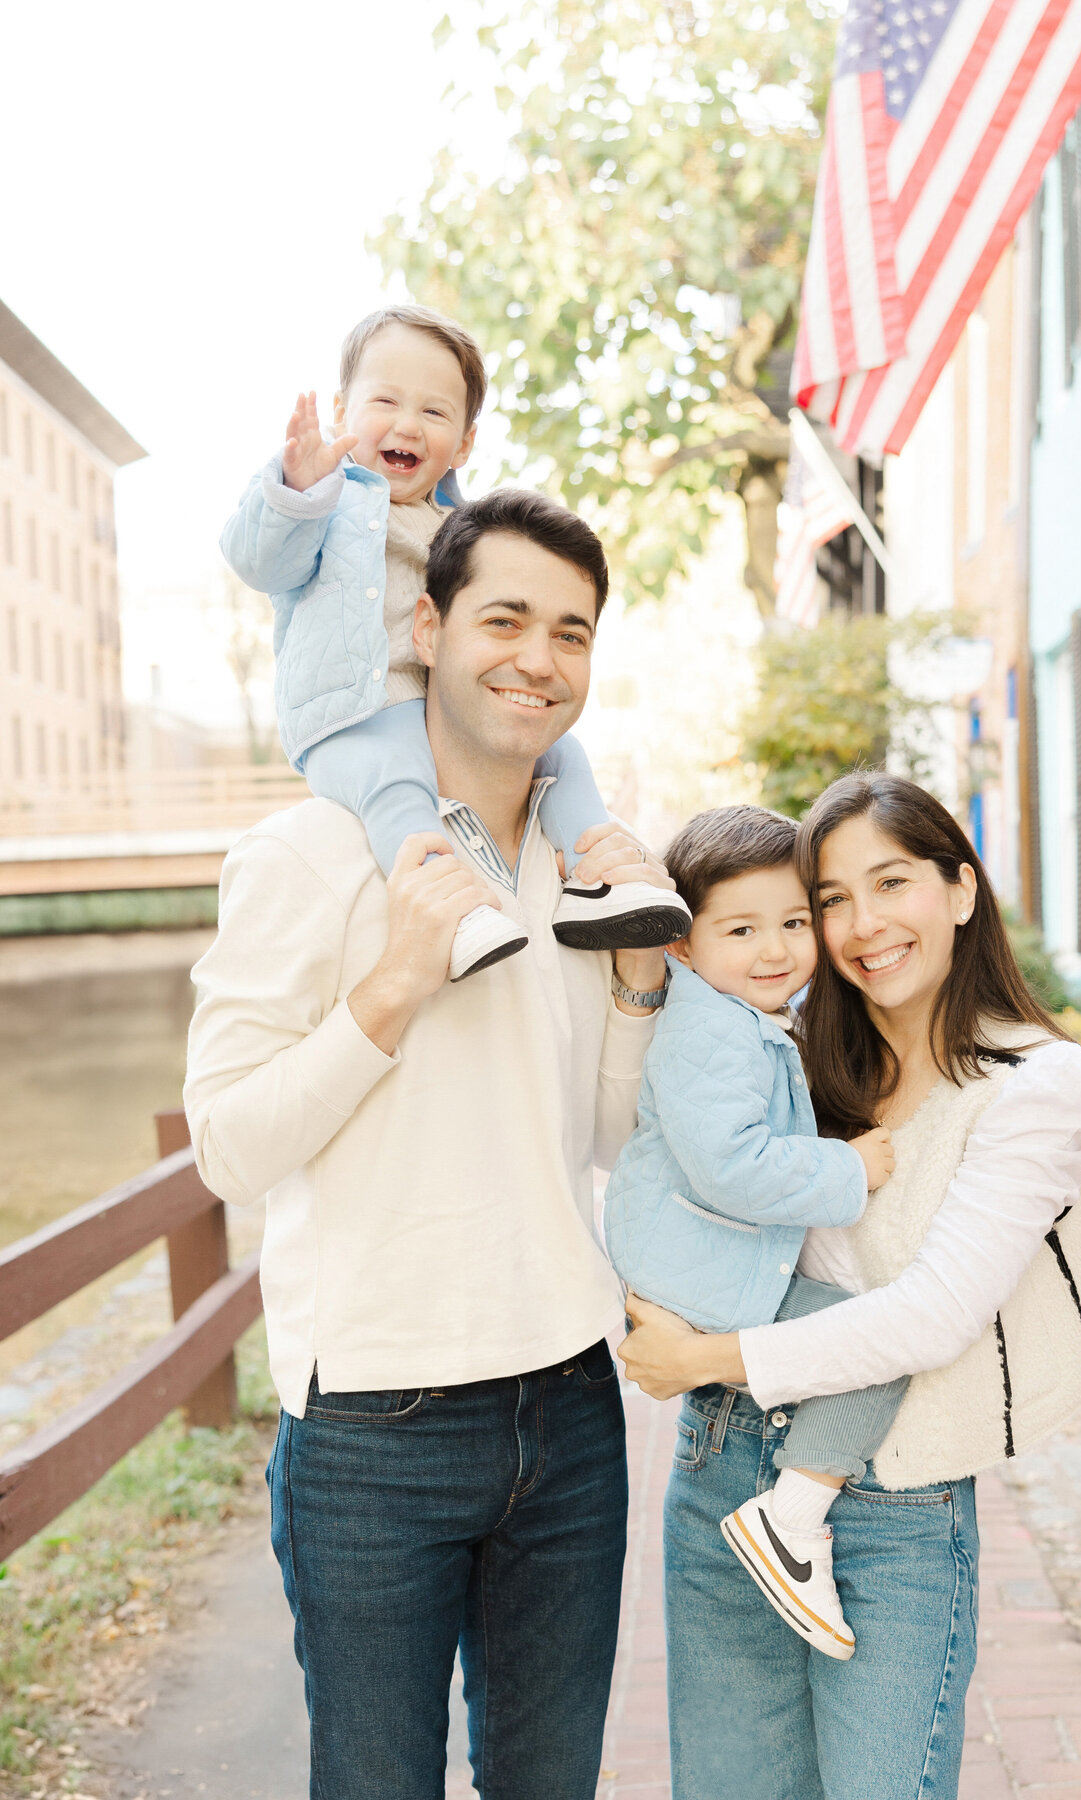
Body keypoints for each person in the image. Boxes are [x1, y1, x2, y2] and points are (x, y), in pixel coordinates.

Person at [185, 489, 677, 1799]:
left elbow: (606, 1140)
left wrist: (636, 990)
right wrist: (393, 985)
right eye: (504, 617)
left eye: (571, 632)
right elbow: (226, 1149)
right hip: (373, 1430)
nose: (537, 657)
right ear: (428, 624)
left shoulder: (587, 867)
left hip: (570, 1407)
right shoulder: (305, 853)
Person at [618, 772, 1081, 1800]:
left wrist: (702, 1356)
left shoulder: (1037, 1090)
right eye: (834, 898)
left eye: (890, 883)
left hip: (895, 1500)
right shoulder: (790, 1050)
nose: (859, 925)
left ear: (961, 891)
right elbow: (654, 1142)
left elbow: (932, 1317)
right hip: (724, 1460)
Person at [220, 301, 690, 982]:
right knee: (397, 782)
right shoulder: (325, 507)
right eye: (386, 401)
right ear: (342, 410)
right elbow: (259, 562)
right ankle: (454, 910)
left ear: (464, 444)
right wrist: (295, 490)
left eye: (435, 413)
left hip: (440, 707)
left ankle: (602, 871)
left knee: (565, 753)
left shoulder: (461, 528)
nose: (408, 424)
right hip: (354, 716)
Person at [604, 804, 903, 1659]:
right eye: (742, 929)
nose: (776, 950)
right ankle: (791, 1519)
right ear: (683, 945)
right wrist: (853, 1171)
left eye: (795, 923)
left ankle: (787, 1506)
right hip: (691, 1268)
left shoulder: (737, 1015)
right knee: (869, 1353)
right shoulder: (711, 1030)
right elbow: (728, 1166)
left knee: (851, 1343)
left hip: (691, 1258)